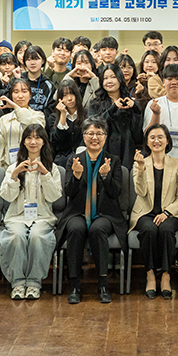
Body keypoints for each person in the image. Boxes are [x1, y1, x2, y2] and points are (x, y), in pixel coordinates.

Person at [57, 118, 126, 304]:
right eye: (90, 133)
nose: (94, 137)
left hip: (106, 213)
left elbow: (115, 193)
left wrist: (105, 176)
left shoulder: (114, 160)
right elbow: (69, 193)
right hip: (77, 212)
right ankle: (75, 285)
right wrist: (77, 176)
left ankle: (103, 284)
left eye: (99, 133)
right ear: (84, 136)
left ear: (105, 136)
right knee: (75, 229)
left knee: (98, 229)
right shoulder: (74, 159)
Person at [0, 124, 63, 300]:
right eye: (29, 138)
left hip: (42, 217)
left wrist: (45, 174)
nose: (33, 141)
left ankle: (34, 282)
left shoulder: (52, 167)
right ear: (24, 141)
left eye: (37, 137)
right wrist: (14, 175)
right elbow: (7, 196)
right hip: (17, 217)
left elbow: (54, 197)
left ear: (44, 141)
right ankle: (18, 282)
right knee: (16, 237)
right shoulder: (13, 167)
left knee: (38, 236)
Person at [130, 125, 178, 298]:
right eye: (152, 137)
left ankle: (165, 274)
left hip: (171, 213)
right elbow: (140, 192)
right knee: (149, 229)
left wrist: (167, 213)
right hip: (145, 212)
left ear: (167, 141)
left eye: (160, 137)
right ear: (147, 142)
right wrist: (140, 168)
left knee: (166, 229)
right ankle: (149, 273)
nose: (156, 141)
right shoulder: (140, 163)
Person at [86, 63, 144, 171]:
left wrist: (136, 110)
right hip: (103, 151)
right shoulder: (95, 103)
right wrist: (113, 109)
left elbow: (137, 135)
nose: (109, 81)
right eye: (105, 78)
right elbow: (94, 126)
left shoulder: (130, 103)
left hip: (126, 152)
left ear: (120, 79)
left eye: (113, 77)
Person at [0, 78, 46, 174]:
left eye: (24, 91)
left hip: (34, 169)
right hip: (9, 169)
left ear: (30, 95)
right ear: (11, 95)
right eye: (16, 92)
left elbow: (33, 128)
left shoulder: (38, 116)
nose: (20, 96)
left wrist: (15, 107)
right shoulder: (3, 120)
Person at [48, 79, 86, 167]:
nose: (69, 98)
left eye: (72, 93)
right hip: (61, 162)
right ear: (60, 99)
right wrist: (63, 115)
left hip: (83, 160)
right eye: (65, 95)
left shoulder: (86, 114)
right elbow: (56, 143)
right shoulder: (53, 117)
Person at [22, 45, 54, 112]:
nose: (32, 63)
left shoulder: (48, 85)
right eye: (29, 59)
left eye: (36, 59)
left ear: (43, 61)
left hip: (41, 120)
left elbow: (50, 110)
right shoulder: (19, 80)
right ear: (24, 62)